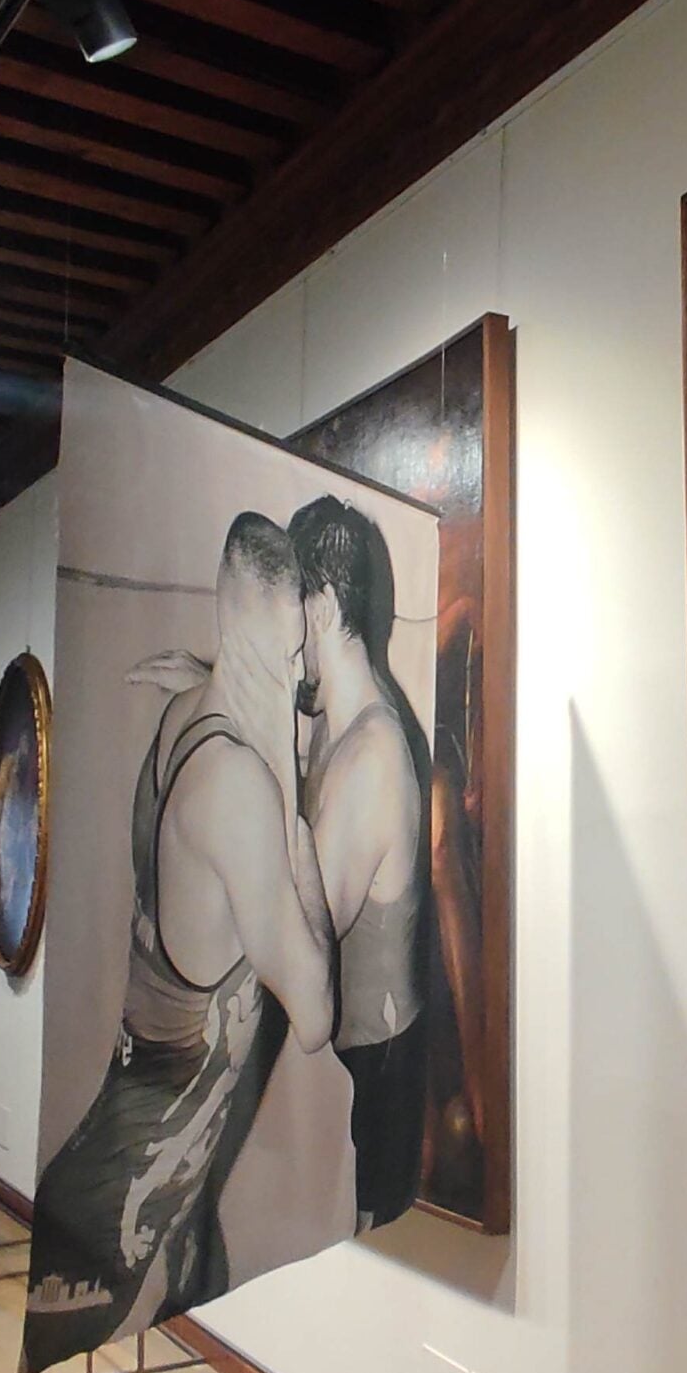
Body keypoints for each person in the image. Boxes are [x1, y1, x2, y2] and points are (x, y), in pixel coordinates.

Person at [23, 514, 336, 1361]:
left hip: (136, 1188)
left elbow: (229, 703)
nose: (299, 678)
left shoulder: (181, 718)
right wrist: (297, 823)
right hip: (116, 1229)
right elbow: (313, 1015)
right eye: (288, 656)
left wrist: (215, 674)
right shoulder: (241, 788)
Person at [290, 496, 431, 1230]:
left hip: (375, 1083)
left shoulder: (371, 759)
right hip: (357, 1073)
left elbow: (303, 952)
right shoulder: (339, 717)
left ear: (316, 608)